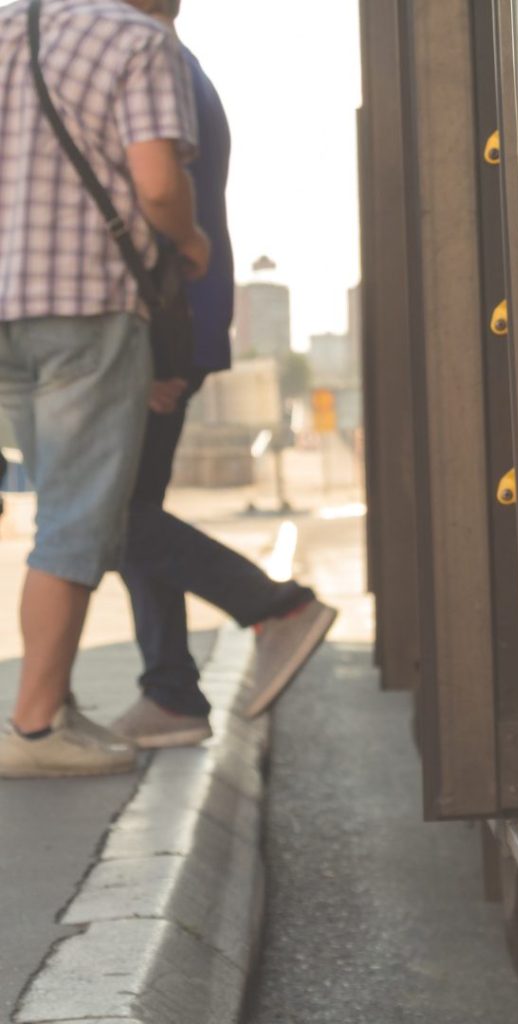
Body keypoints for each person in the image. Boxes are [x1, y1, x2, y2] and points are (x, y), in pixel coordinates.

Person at [111, 0, 337, 749]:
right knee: (130, 510)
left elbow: (164, 207)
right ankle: (171, 691)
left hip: (162, 330)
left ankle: (275, 607)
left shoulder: (158, 66)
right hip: (174, 325)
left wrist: (163, 353)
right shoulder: (182, 67)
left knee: (114, 518)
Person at [0, 0, 210, 777]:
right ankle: (31, 730)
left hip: (6, 310)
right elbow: (156, 184)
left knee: (61, 512)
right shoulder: (136, 39)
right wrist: (189, 241)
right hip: (85, 302)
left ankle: (50, 706)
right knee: (78, 522)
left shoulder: (9, 27)